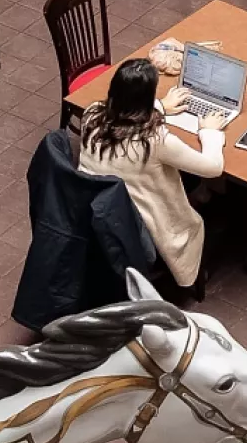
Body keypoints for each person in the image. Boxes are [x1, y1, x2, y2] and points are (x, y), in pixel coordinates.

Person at [72, 59, 230, 293]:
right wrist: (209, 131)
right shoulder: (155, 140)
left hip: (96, 213)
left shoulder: (92, 115)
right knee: (198, 197)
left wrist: (160, 106)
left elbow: (123, 119)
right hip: (140, 230)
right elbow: (213, 167)